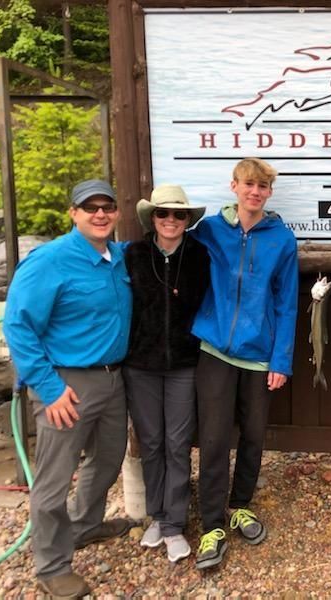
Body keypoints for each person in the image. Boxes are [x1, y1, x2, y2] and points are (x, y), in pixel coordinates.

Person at [3, 179, 133, 598]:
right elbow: (18, 326)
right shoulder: (50, 261)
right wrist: (48, 387)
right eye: (89, 207)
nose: (100, 214)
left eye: (107, 206)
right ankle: (52, 566)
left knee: (108, 459)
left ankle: (85, 526)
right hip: (66, 385)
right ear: (73, 213)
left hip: (114, 380)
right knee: (54, 480)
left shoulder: (117, 257)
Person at [190, 157, 299, 570]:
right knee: (214, 438)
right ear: (233, 186)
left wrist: (281, 361)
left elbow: (287, 304)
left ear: (269, 193)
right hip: (215, 350)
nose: (255, 192)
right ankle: (212, 525)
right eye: (248, 184)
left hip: (259, 356)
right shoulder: (209, 231)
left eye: (263, 187)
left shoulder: (282, 240)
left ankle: (240, 505)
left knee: (253, 435)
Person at [123, 184, 209, 563]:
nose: (171, 220)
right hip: (140, 365)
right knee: (152, 443)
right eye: (163, 213)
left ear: (187, 220)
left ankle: (174, 523)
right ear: (152, 218)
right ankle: (157, 515)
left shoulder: (200, 255)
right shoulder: (133, 255)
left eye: (178, 214)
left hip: (184, 365)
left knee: (177, 444)